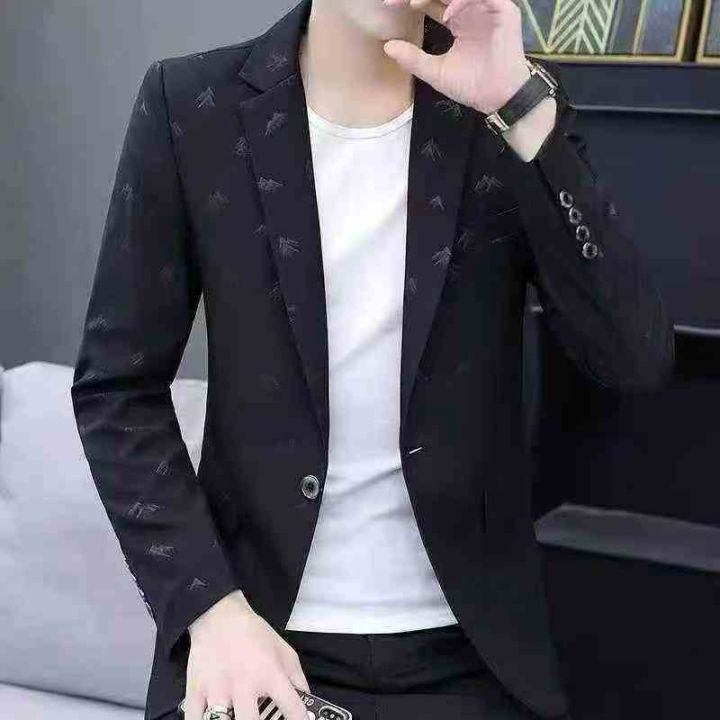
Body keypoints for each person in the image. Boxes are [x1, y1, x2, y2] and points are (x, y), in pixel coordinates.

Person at [70, 1, 675, 720]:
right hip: (256, 638)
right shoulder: (192, 104)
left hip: (468, 656)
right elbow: (117, 389)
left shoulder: (500, 107)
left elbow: (633, 358)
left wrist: (516, 106)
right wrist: (210, 610)